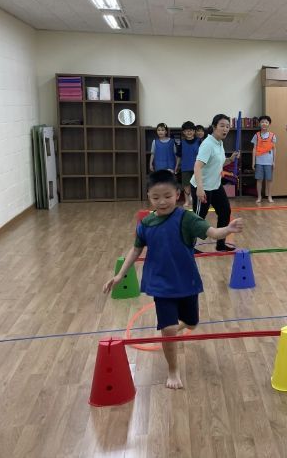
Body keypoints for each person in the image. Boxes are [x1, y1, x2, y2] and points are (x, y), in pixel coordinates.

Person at [103, 170, 244, 389]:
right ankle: (173, 369)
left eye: (167, 196)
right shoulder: (146, 223)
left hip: (185, 281)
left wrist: (228, 229)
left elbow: (212, 232)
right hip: (161, 285)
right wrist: (120, 274)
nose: (162, 202)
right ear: (149, 196)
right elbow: (136, 249)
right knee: (168, 329)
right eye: (156, 197)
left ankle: (174, 329)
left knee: (192, 323)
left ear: (177, 194)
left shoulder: (187, 218)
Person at [191, 114, 239, 252]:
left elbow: (217, 163)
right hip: (202, 187)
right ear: (214, 127)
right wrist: (200, 189)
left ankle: (220, 244)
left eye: (227, 126)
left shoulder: (219, 143)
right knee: (198, 218)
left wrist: (230, 159)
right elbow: (197, 166)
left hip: (215, 186)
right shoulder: (208, 144)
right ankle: (189, 247)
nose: (225, 129)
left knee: (225, 211)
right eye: (222, 126)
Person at [251, 115, 276, 203]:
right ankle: (259, 197)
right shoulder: (256, 135)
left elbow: (274, 149)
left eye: (266, 122)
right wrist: (253, 162)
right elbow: (254, 149)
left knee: (269, 179)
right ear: (259, 123)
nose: (264, 124)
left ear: (269, 124)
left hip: (269, 162)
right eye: (262, 122)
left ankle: (269, 196)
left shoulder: (272, 135)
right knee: (259, 180)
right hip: (259, 162)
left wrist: (274, 161)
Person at [178, 121, 200, 209]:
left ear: (194, 131)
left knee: (197, 184)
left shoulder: (199, 141)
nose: (189, 132)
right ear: (183, 132)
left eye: (191, 130)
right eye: (187, 130)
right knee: (186, 185)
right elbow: (179, 156)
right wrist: (176, 166)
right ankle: (187, 201)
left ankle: (196, 200)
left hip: (197, 167)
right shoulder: (182, 142)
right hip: (185, 167)